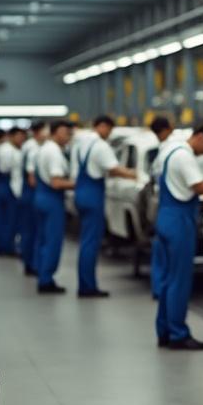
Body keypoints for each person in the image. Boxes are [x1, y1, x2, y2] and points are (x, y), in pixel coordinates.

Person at [153, 118, 203, 350]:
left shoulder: (170, 150)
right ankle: (178, 333)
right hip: (179, 221)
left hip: (166, 216)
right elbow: (199, 186)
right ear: (202, 136)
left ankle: (164, 329)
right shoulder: (183, 155)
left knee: (167, 279)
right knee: (179, 280)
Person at [69, 115, 136, 298]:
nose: (109, 134)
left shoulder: (80, 143)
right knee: (91, 242)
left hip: (81, 193)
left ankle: (85, 283)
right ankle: (87, 287)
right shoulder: (100, 145)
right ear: (103, 126)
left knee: (85, 241)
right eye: (110, 129)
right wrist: (135, 175)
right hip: (93, 196)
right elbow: (114, 168)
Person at [34, 120, 75, 294]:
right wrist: (78, 184)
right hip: (52, 200)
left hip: (42, 197)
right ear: (56, 132)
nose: (68, 137)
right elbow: (57, 182)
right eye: (66, 133)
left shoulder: (44, 148)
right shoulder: (54, 153)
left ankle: (43, 275)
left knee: (43, 240)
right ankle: (46, 279)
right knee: (53, 241)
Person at [0, 127, 26, 257]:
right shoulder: (8, 151)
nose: (21, 139)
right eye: (19, 136)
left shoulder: (6, 148)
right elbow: (5, 169)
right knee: (9, 219)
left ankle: (4, 245)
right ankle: (6, 247)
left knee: (5, 218)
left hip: (4, 185)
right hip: (8, 186)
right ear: (11, 136)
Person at [19, 122, 46, 276]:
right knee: (34, 230)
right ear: (38, 132)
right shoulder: (34, 148)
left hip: (28, 192)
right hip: (32, 193)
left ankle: (29, 262)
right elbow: (32, 178)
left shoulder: (29, 145)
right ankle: (32, 264)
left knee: (29, 229)